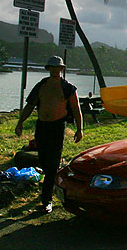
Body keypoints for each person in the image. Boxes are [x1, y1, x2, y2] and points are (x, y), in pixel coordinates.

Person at [15, 56, 83, 213]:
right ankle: (53, 183)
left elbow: (76, 109)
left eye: (57, 67)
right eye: (51, 67)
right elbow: (30, 105)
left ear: (61, 69)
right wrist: (20, 123)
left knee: (52, 164)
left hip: (57, 127)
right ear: (48, 69)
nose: (54, 70)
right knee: (44, 160)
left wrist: (80, 129)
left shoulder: (68, 88)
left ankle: (46, 200)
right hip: (42, 127)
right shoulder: (42, 85)